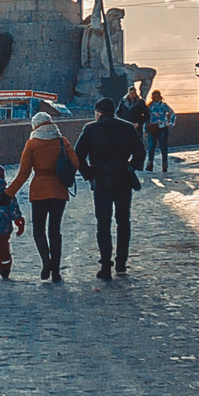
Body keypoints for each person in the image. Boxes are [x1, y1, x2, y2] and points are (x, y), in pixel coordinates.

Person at [76, 97, 145, 280]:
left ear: (98, 113)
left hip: (101, 181)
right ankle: (121, 263)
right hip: (123, 179)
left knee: (103, 224)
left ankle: (105, 266)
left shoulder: (90, 129)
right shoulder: (128, 127)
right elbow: (141, 153)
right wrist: (131, 166)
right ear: (113, 112)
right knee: (123, 222)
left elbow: (77, 156)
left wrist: (89, 173)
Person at [6, 109, 79, 283]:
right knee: (55, 231)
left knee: (39, 229)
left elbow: (23, 174)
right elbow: (76, 163)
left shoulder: (32, 144)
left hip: (39, 190)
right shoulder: (62, 141)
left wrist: (8, 193)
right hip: (59, 190)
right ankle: (56, 271)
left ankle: (46, 261)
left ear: (35, 126)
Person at [143, 91, 177, 172]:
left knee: (163, 147)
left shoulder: (163, 105)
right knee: (151, 147)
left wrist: (171, 123)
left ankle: (164, 164)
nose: (155, 98)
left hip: (163, 128)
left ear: (160, 97)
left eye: (157, 96)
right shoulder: (149, 106)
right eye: (154, 96)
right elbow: (146, 118)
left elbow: (172, 113)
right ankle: (150, 163)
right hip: (152, 128)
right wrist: (145, 129)